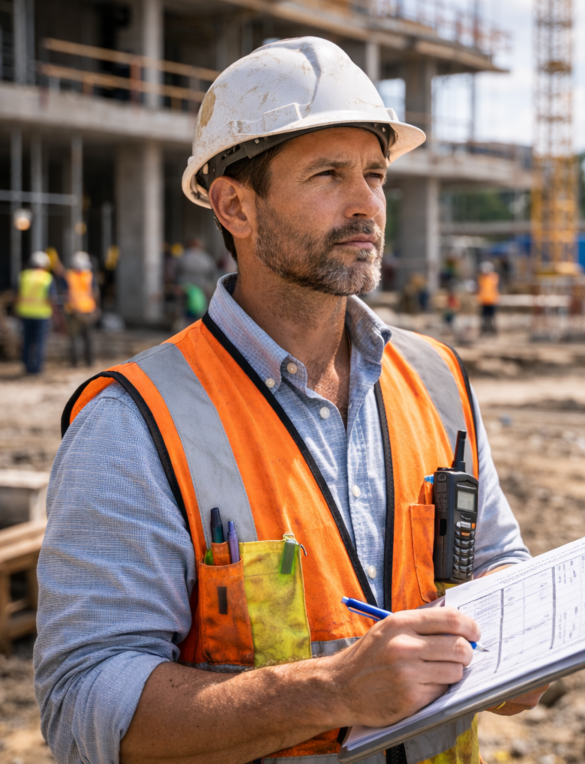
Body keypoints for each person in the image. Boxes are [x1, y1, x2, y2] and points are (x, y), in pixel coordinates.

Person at [35, 38, 543, 764]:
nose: (366, 202)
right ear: (235, 206)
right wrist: (333, 691)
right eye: (328, 175)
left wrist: (521, 628)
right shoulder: (136, 423)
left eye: (375, 173)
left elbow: (498, 558)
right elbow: (84, 703)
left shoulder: (435, 378)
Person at [15, 250, 55, 374]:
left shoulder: (22, 276)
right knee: (39, 342)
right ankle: (37, 369)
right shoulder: (47, 278)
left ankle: (27, 368)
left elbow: (15, 295)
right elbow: (51, 298)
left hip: (25, 313)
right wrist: (55, 314)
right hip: (41, 315)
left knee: (26, 341)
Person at [64, 251, 99, 367]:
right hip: (87, 310)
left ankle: (75, 363)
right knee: (87, 338)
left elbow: (65, 294)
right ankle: (89, 362)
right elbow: (95, 293)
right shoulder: (89, 275)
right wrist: (96, 308)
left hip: (75, 311)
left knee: (75, 338)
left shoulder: (69, 276)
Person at [175, 236, 218, 311]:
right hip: (201, 286)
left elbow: (176, 271)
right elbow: (212, 273)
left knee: (183, 308)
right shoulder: (206, 257)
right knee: (201, 308)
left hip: (185, 286)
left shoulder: (183, 256)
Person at [477, 261, 500, 336]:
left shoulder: (493, 277)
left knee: (492, 317)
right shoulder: (482, 278)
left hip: (492, 300)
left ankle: (493, 331)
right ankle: (484, 331)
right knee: (484, 317)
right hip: (484, 301)